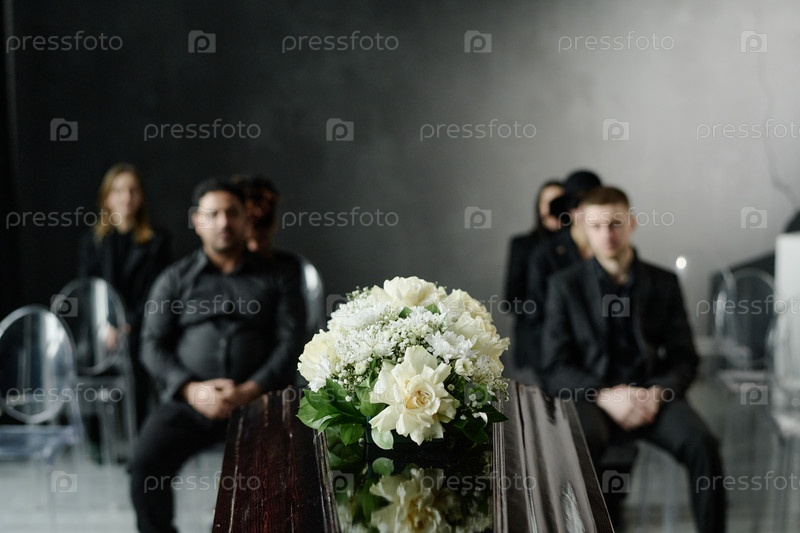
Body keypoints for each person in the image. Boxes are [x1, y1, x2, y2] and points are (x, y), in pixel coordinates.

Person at [541, 186, 726, 532]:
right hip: (594, 398)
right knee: (573, 450)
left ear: (632, 223)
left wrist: (657, 393)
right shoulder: (565, 286)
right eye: (596, 226)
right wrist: (604, 395)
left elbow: (685, 357)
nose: (606, 234)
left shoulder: (663, 282)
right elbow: (553, 368)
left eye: (615, 224)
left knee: (703, 445)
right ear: (583, 229)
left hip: (651, 395)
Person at [129, 177, 305, 533]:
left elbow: (291, 344)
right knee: (144, 465)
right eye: (213, 214)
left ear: (245, 219)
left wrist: (249, 391)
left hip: (260, 402)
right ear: (197, 221)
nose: (223, 222)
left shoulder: (280, 276)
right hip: (189, 402)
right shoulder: (174, 279)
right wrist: (193, 390)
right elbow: (151, 345)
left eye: (232, 213)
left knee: (287, 471)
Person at [79, 162, 170, 428]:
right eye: (118, 190)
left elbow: (157, 292)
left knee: (138, 367)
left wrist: (127, 325)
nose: (126, 197)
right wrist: (107, 325)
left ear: (141, 197)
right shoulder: (92, 242)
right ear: (107, 198)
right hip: (101, 331)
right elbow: (88, 290)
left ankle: (140, 435)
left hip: (141, 326)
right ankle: (97, 437)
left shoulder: (157, 241)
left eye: (133, 190)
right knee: (90, 364)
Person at [523, 170, 601, 374]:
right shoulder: (545, 254)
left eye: (590, 202)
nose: (583, 210)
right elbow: (536, 315)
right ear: (568, 208)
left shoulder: (611, 248)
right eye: (577, 203)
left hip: (606, 363)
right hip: (561, 361)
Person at [234, 173, 325, 340]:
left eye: (261, 235)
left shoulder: (302, 271)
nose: (254, 246)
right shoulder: (215, 274)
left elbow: (314, 332)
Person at [504, 179, 563, 369]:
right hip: (533, 345)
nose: (553, 207)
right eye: (548, 201)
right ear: (539, 206)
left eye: (559, 201)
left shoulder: (579, 248)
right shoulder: (523, 245)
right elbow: (510, 300)